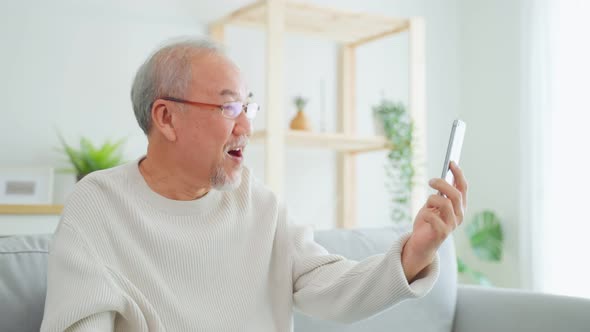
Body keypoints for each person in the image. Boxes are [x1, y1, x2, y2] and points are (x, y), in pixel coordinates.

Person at [40, 38, 468, 332]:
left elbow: (327, 286)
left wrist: (415, 252)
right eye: (229, 106)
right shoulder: (98, 206)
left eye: (248, 106)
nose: (247, 125)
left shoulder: (257, 201)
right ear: (166, 118)